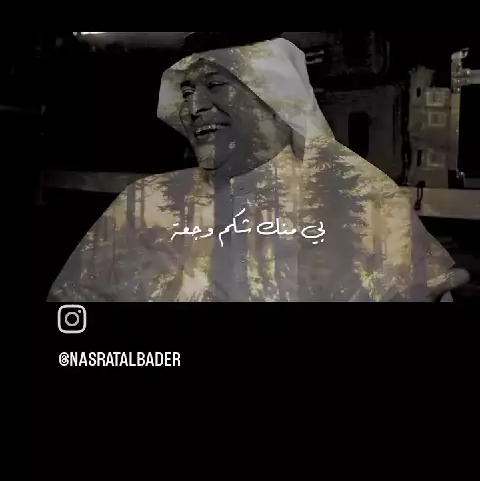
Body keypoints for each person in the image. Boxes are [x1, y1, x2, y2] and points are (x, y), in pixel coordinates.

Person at [48, 35, 468, 302]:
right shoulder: (144, 203)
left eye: (216, 85)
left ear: (274, 96)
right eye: (187, 91)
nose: (194, 107)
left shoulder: (364, 200)